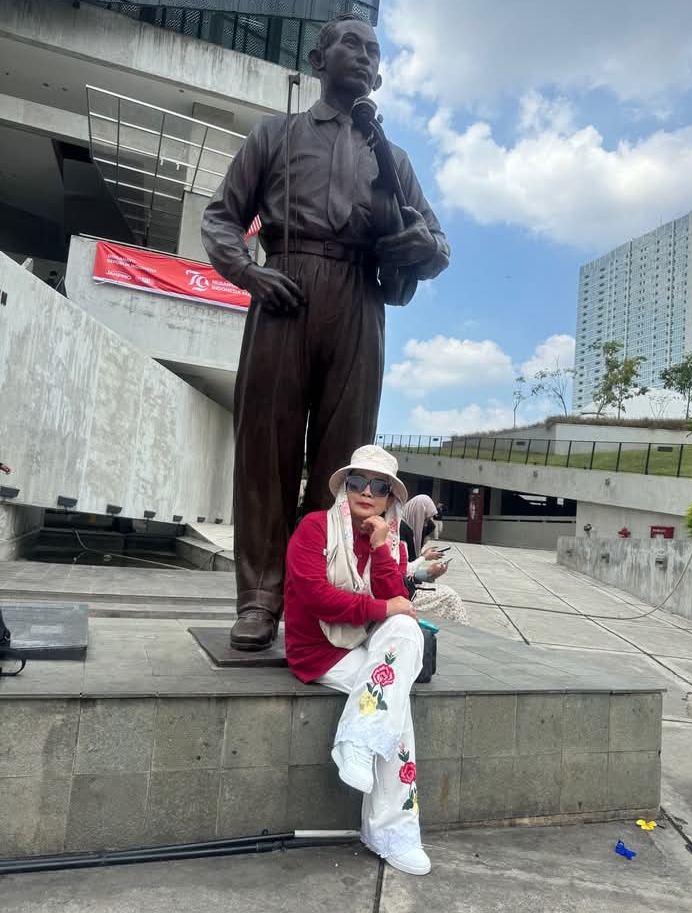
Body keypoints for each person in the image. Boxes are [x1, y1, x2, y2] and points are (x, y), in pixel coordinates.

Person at [201, 13, 450, 650]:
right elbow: (220, 219)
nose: (363, 56)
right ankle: (259, 598)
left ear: (380, 74)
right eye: (350, 44)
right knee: (266, 451)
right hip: (284, 289)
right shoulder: (276, 134)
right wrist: (249, 274)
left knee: (347, 466)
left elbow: (437, 245)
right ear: (318, 59)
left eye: (373, 50)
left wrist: (418, 246)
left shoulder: (392, 159)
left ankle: (318, 596)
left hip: (360, 298)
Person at [284, 445, 431, 876]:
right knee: (394, 710)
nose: (367, 492)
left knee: (406, 630)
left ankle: (359, 742)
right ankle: (394, 834)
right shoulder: (315, 528)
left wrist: (382, 548)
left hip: (368, 645)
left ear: (390, 499)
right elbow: (317, 598)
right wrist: (384, 609)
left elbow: (396, 601)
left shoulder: (391, 540)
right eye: (357, 482)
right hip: (319, 650)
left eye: (379, 486)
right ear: (344, 488)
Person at [401, 495, 468, 625]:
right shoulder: (401, 530)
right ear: (417, 514)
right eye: (425, 519)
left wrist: (430, 572)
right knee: (451, 596)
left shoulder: (406, 529)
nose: (425, 524)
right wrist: (426, 563)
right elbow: (404, 570)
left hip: (407, 587)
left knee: (449, 595)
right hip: (403, 592)